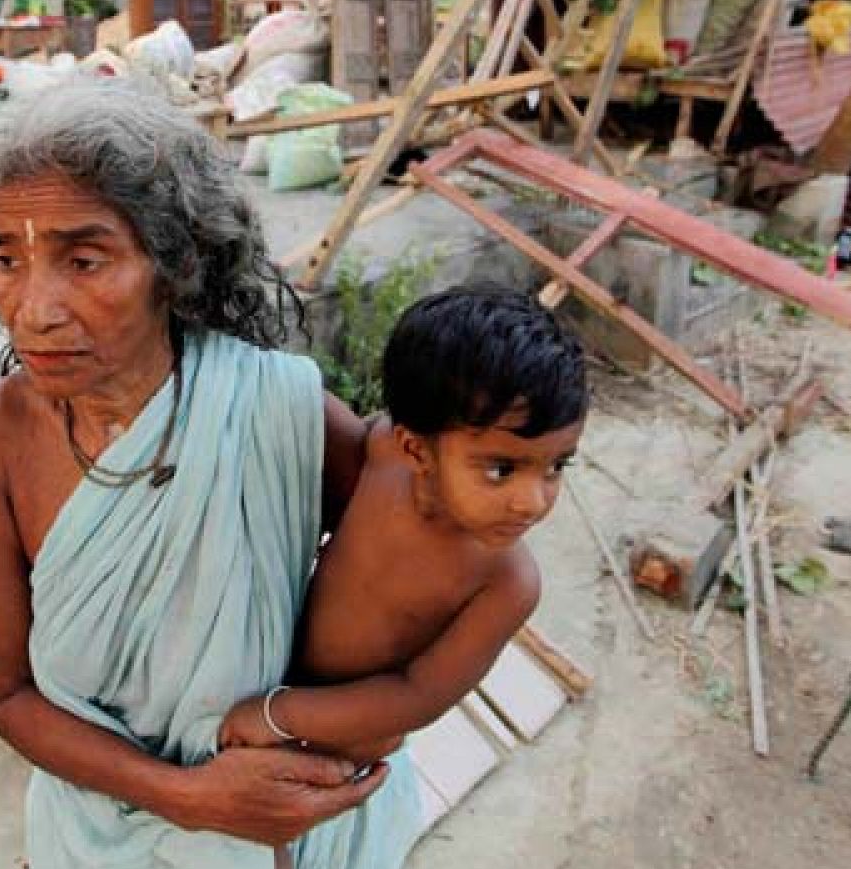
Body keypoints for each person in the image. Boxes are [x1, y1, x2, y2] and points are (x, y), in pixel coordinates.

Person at [0, 81, 420, 869]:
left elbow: (436, 545)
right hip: (98, 830)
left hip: (273, 835)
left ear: (176, 263)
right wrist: (186, 797)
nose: (34, 311)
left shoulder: (276, 408)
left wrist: (332, 730)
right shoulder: (1, 432)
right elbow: (8, 695)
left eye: (84, 259)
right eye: (5, 259)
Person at [219, 286, 587, 767]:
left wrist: (280, 715)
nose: (533, 501)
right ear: (415, 450)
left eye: (557, 466)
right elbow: (301, 410)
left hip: (339, 737)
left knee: (284, 827)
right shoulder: (382, 452)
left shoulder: (505, 583)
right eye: (501, 470)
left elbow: (417, 695)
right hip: (268, 660)